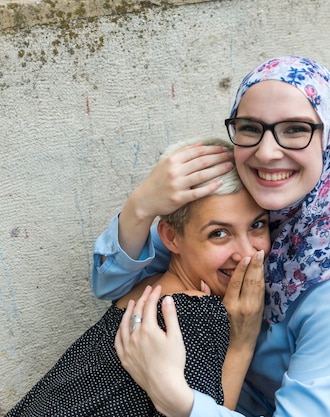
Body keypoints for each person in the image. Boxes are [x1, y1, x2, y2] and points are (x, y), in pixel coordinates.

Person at [95, 56, 330, 417]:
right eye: (251, 128)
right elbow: (111, 285)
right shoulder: (245, 204)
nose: (267, 153)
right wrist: (140, 207)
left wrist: (179, 400)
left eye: (296, 129)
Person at [8, 138, 268, 416]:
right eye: (218, 233)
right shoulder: (196, 315)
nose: (245, 253)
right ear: (170, 237)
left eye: (257, 224)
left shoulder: (146, 286)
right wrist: (242, 343)